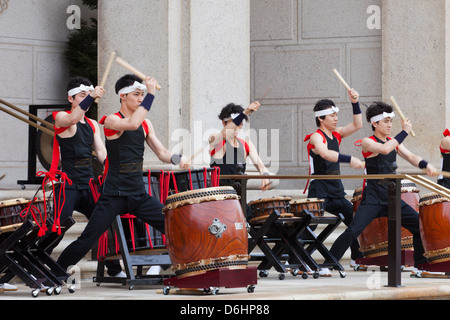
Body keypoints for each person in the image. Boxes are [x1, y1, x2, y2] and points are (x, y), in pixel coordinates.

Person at [57, 74, 189, 276]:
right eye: (136, 94)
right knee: (88, 239)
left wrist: (178, 159)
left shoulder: (146, 124)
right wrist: (151, 94)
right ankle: (55, 272)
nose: (140, 98)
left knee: (178, 227)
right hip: (113, 196)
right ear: (123, 96)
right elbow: (132, 124)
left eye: (142, 94)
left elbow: (162, 153)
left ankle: (159, 266)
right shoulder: (111, 121)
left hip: (138, 194)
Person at [327, 102, 437, 274]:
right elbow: (385, 150)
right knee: (353, 230)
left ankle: (420, 265)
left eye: (390, 121)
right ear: (375, 123)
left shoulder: (393, 142)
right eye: (385, 121)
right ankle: (328, 264)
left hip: (392, 196)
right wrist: (405, 131)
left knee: (418, 225)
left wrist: (426, 165)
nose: (389, 125)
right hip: (373, 197)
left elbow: (411, 156)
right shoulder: (367, 142)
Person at [46, 77, 124, 277]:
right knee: (58, 228)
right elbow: (72, 119)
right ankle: (36, 258)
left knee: (105, 222)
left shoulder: (92, 124)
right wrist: (91, 97)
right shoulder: (62, 117)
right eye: (82, 96)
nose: (86, 99)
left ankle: (114, 269)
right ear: (70, 98)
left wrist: (116, 167)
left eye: (87, 95)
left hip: (88, 184)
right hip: (68, 185)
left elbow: (102, 153)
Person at [303, 89, 365, 275]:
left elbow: (357, 124)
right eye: (332, 115)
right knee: (310, 226)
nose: (336, 118)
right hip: (319, 188)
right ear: (321, 118)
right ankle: (299, 259)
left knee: (354, 222)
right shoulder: (316, 137)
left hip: (336, 190)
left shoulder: (337, 134)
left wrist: (355, 102)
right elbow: (325, 154)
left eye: (336, 115)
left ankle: (355, 258)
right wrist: (349, 159)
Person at [209, 102, 271, 192]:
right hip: (219, 198)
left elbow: (261, 166)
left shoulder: (246, 144)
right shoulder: (214, 138)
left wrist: (265, 175)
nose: (237, 127)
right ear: (224, 123)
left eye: (240, 124)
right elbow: (224, 134)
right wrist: (244, 113)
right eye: (234, 123)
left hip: (239, 197)